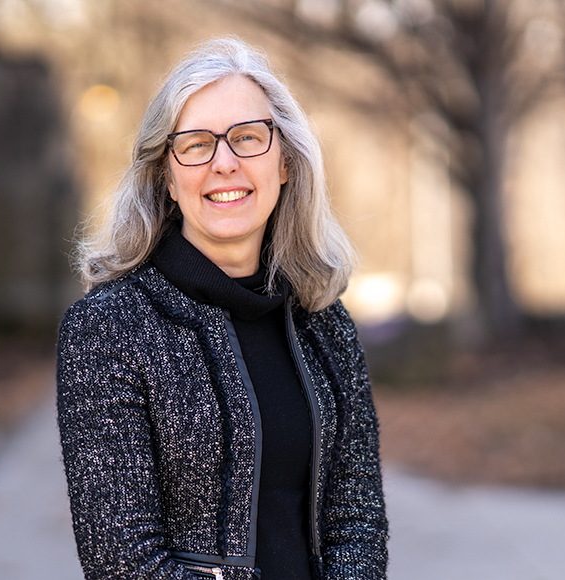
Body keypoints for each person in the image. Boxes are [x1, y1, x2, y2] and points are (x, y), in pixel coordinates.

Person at [56, 37, 389, 580]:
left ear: (284, 162)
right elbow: (122, 559)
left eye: (248, 138)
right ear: (167, 175)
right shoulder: (110, 328)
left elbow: (357, 518)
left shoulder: (325, 322)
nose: (225, 163)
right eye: (195, 144)